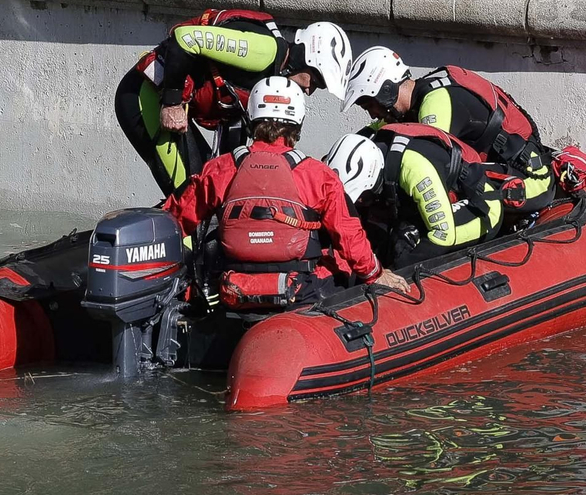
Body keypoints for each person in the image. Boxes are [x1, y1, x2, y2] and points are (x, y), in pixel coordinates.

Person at [163, 77, 412, 306]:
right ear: (298, 121)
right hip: (299, 295)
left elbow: (175, 217)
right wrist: (375, 273)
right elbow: (349, 236)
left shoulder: (222, 168)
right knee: (341, 267)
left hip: (234, 293)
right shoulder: (318, 175)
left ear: (252, 117)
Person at [116, 13, 353, 198]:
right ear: (308, 60)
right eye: (318, 81)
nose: (311, 91)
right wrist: (172, 103)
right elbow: (185, 39)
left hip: (173, 109)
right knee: (189, 197)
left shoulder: (271, 83)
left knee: (211, 189)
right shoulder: (265, 52)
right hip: (144, 97)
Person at [345, 48, 557, 221]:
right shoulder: (423, 94)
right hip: (513, 166)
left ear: (387, 91)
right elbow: (377, 131)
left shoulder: (434, 105)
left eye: (370, 105)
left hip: (531, 183)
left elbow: (438, 171)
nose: (373, 113)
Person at [324, 125, 502, 267]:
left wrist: (396, 271)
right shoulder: (371, 148)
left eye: (362, 197)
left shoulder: (414, 169)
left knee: (405, 241)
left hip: (481, 206)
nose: (361, 202)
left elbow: (443, 234)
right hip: (433, 204)